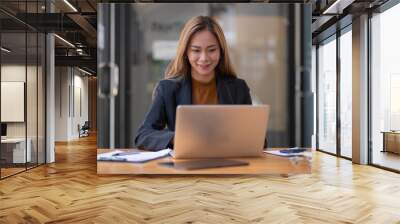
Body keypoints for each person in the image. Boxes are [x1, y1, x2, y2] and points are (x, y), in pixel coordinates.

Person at [135, 16, 252, 151]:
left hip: (231, 164)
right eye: (196, 50)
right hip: (185, 166)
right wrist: (178, 138)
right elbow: (143, 135)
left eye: (212, 50)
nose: (204, 58)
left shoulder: (238, 88)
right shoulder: (167, 89)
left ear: (221, 51)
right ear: (186, 52)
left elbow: (257, 139)